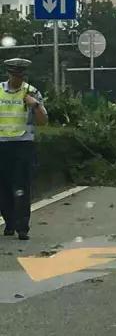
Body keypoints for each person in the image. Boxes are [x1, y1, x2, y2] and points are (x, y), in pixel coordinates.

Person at [0, 58, 48, 240]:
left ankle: (22, 227)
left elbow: (44, 121)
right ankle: (9, 223)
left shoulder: (32, 92)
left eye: (21, 75)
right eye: (14, 75)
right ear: (9, 74)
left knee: (21, 187)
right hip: (2, 144)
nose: (17, 79)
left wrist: (34, 104)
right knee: (3, 188)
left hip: (23, 144)